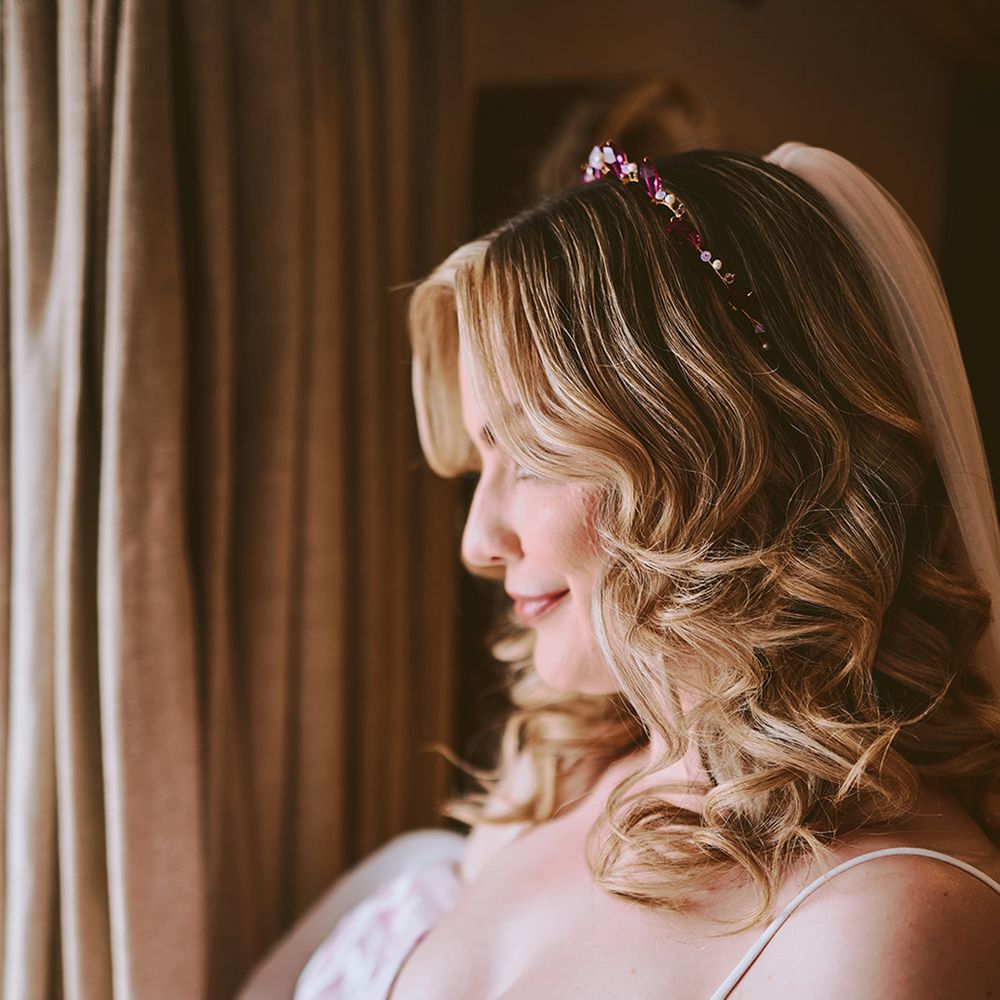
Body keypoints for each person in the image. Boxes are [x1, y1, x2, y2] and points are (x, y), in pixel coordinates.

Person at [294, 141, 1000, 999]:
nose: (480, 542)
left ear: (718, 460)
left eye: (532, 453)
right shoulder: (559, 777)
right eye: (481, 464)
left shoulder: (888, 924)